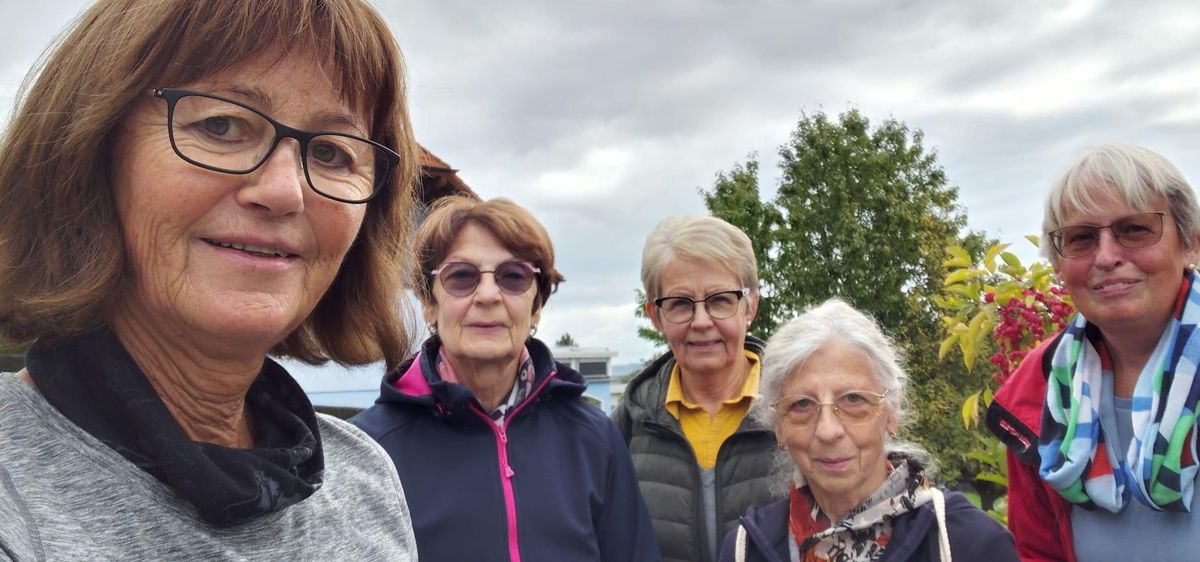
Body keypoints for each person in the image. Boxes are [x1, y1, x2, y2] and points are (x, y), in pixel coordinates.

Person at [0, 0, 421, 560]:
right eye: (221, 125)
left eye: (329, 152)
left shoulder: (366, 480)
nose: (283, 191)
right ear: (89, 155)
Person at [987, 144, 1200, 561]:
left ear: (1191, 242)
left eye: (1135, 229)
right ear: (1058, 263)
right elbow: (1039, 551)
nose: (1106, 257)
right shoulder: (1043, 391)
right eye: (1081, 238)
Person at [352, 196, 660, 562]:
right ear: (429, 305)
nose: (487, 295)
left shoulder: (593, 438)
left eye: (513, 277)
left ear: (537, 307)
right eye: (461, 276)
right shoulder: (369, 451)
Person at [720, 299, 1018, 562]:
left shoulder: (968, 544)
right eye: (801, 404)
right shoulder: (746, 550)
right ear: (778, 426)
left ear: (892, 411)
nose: (827, 430)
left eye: (853, 399)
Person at [612, 215, 779, 562]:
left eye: (720, 300)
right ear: (655, 317)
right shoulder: (625, 429)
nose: (701, 322)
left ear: (750, 306)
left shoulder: (798, 410)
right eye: (680, 304)